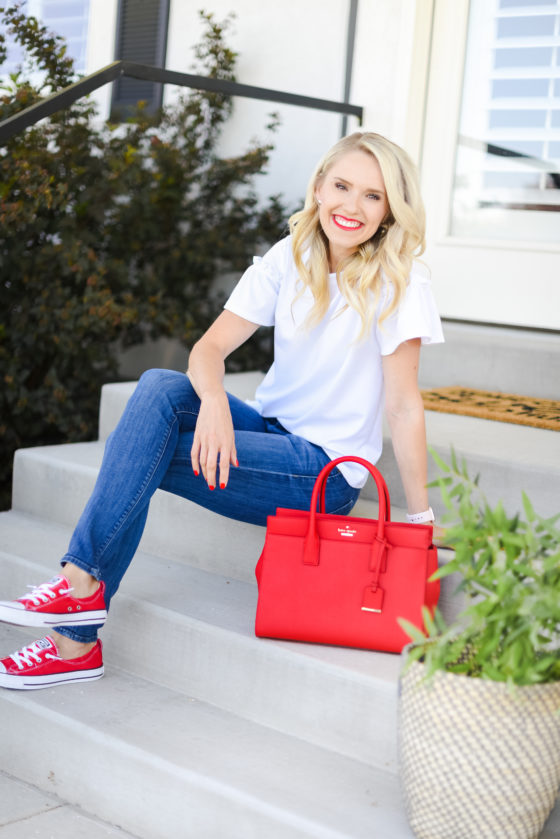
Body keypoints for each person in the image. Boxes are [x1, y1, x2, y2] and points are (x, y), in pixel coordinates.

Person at [0, 131, 444, 690]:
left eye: (373, 196)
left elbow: (404, 407)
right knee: (161, 386)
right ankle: (78, 598)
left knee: (142, 453)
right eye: (342, 186)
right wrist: (213, 401)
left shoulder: (401, 282)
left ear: (389, 212)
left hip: (323, 471)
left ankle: (76, 615)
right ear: (318, 187)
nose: (352, 206)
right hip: (270, 430)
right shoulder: (293, 256)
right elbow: (207, 350)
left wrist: (420, 518)